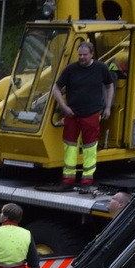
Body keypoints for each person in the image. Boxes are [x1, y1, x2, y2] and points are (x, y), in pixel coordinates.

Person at [51, 41, 114, 187]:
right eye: (80, 55)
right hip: (72, 114)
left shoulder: (101, 68)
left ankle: (87, 178)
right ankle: (68, 178)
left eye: (85, 55)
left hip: (91, 113)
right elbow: (56, 88)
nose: (82, 57)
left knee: (90, 147)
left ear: (92, 54)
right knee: (70, 146)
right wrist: (64, 107)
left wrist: (108, 107)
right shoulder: (70, 69)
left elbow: (110, 86)